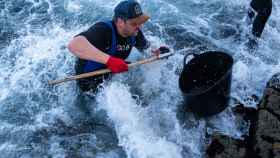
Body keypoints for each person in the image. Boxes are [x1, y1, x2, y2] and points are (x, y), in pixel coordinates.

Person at [68, 0, 166, 92]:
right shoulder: (103, 30)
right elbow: (73, 45)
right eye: (134, 23)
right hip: (89, 78)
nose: (139, 26)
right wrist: (109, 60)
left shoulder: (134, 33)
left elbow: (148, 51)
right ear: (120, 22)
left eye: (140, 22)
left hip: (110, 71)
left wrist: (158, 53)